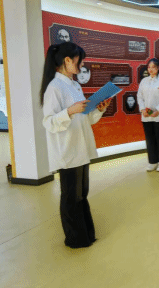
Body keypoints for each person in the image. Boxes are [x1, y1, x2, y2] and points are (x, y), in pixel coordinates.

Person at [41, 42, 111, 249]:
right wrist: (70, 111)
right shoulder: (54, 87)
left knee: (81, 195)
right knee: (71, 197)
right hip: (67, 149)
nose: (81, 65)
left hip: (80, 148)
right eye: (79, 61)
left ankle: (86, 235)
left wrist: (99, 109)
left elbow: (85, 118)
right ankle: (75, 239)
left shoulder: (75, 85)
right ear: (67, 60)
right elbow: (49, 122)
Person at [138, 58, 159, 172]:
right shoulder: (144, 81)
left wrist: (158, 110)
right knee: (150, 140)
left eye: (153, 67)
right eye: (149, 67)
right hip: (146, 116)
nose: (150, 69)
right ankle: (152, 162)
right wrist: (142, 109)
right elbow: (139, 96)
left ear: (158, 68)